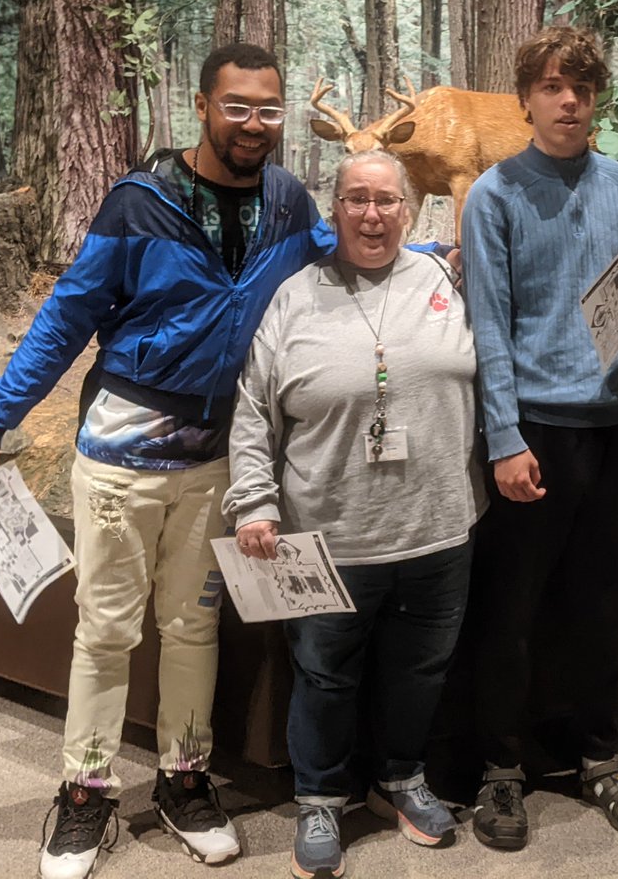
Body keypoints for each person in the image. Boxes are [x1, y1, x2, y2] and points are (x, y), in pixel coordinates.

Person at [0, 44, 338, 879]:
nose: (254, 124)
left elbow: (343, 254)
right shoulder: (140, 202)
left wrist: (435, 264)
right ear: (202, 107)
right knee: (107, 631)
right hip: (123, 455)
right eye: (237, 107)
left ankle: (184, 779)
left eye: (268, 109)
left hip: (219, 461)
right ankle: (85, 793)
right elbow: (67, 317)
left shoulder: (287, 202)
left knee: (193, 627)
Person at [226, 150, 484, 879]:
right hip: (330, 534)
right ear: (333, 209)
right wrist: (254, 502)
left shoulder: (443, 279)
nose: (372, 214)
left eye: (386, 200)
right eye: (356, 200)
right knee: (325, 675)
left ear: (409, 209)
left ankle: (399, 778)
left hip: (438, 525)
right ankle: (318, 797)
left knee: (422, 669)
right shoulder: (295, 299)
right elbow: (252, 413)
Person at [460, 25, 618, 851]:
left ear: (597, 100)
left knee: (600, 607)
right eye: (552, 87)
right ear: (526, 97)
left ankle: (600, 760)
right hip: (539, 434)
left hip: (617, 425)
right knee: (511, 610)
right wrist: (505, 438)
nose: (567, 101)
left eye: (581, 89)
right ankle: (500, 774)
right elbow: (489, 330)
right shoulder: (494, 195)